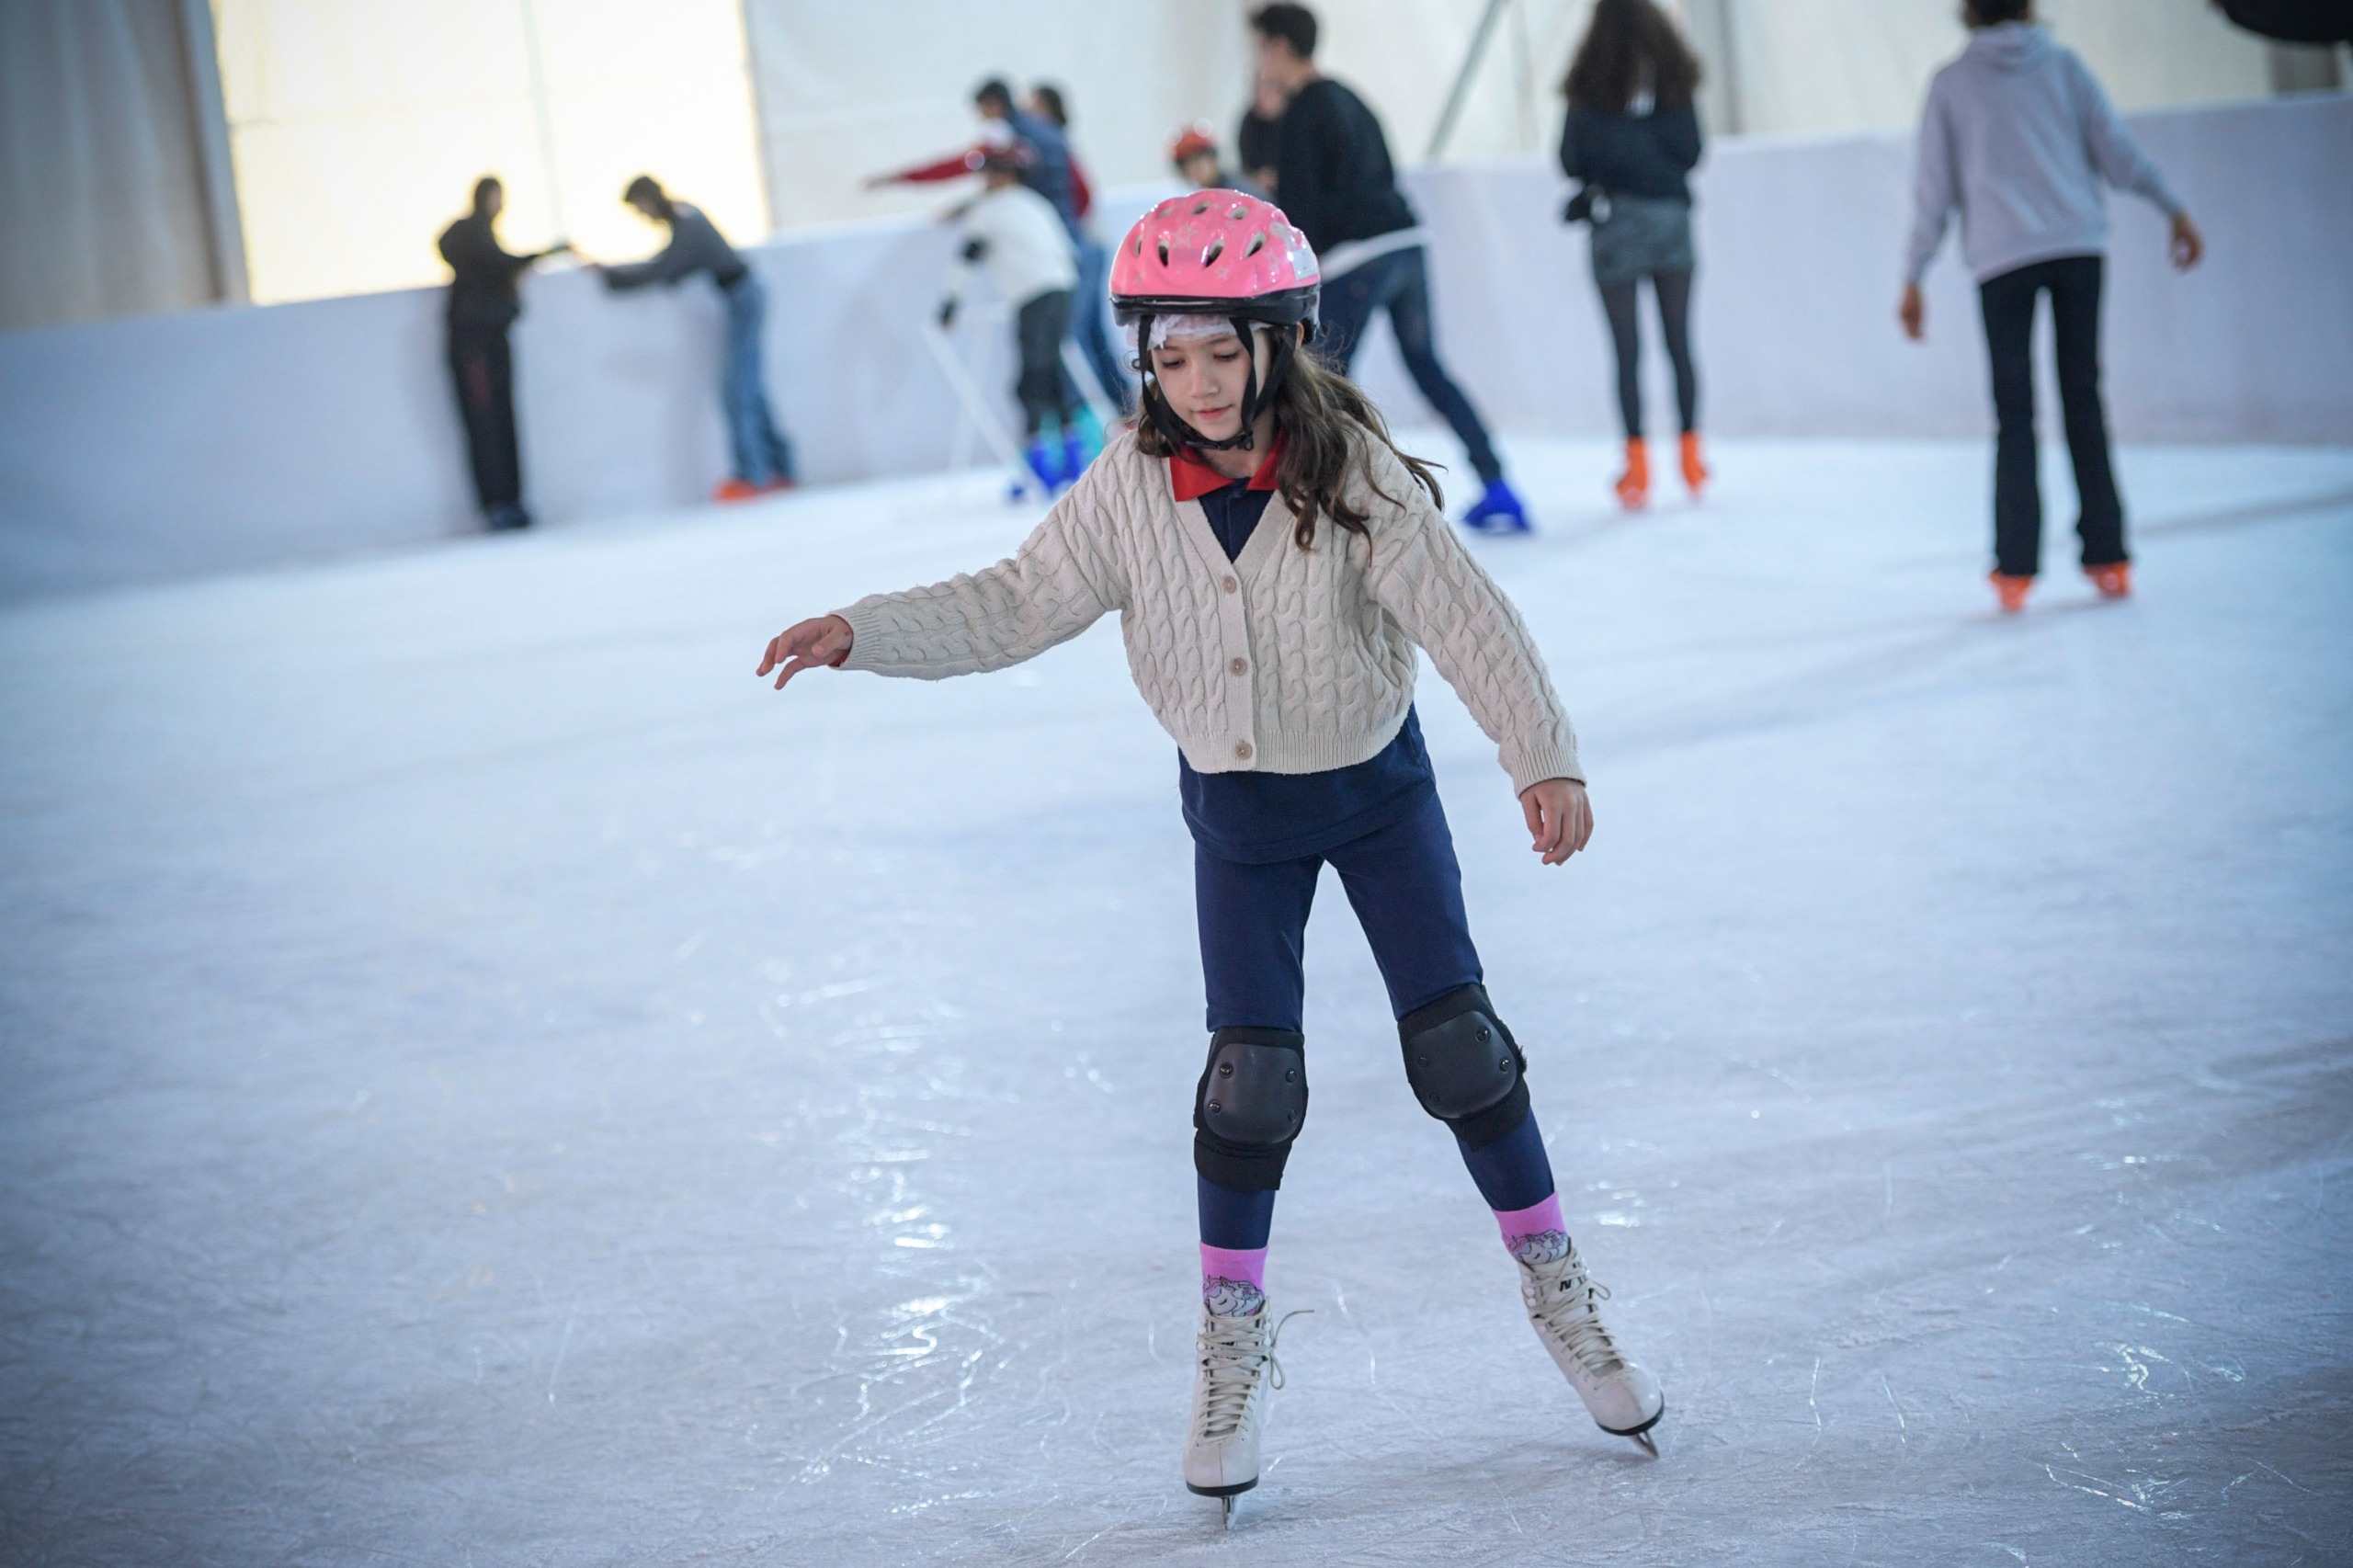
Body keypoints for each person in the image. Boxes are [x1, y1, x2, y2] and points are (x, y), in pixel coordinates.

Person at [754, 191, 1664, 1513]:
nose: (1198, 382)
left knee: (1461, 1047)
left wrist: (1545, 751)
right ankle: (1227, 1347)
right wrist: (863, 628)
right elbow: (1013, 602)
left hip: (1378, 796)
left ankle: (1560, 1289)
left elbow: (1468, 615)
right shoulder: (1126, 488)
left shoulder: (1346, 471)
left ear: (1278, 339)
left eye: (1222, 353)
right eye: (1170, 358)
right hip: (1236, 823)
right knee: (1247, 1086)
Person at [1902, 0, 2203, 613]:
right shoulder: (2063, 67)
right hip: (2075, 247)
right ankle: (2108, 555)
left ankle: (2015, 568)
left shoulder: (1952, 84)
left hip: (2001, 260)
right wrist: (2171, 206)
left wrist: (1913, 275)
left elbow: (1934, 192)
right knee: (2082, 396)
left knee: (2014, 411)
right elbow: (2116, 151)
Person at [1247, 3, 1529, 533]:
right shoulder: (1351, 96)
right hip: (1405, 243)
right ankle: (1498, 482)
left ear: (1280, 47)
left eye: (1260, 48)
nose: (1258, 61)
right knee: (1424, 365)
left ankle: (1344, 504)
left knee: (1320, 381)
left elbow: (1299, 210)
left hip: (1361, 255)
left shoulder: (1303, 110)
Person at [1560, 0, 1709, 512]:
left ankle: (1637, 469)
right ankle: (1691, 459)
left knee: (1627, 351)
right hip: (1670, 221)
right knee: (1679, 342)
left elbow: (1569, 158)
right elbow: (1692, 151)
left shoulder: (1587, 84)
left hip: (1615, 225)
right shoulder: (1674, 77)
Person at [597, 175, 796, 503]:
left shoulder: (688, 222)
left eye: (639, 208)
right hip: (740, 297)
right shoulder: (685, 218)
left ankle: (752, 474)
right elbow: (673, 266)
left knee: (737, 389)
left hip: (744, 298)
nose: (642, 216)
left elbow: (666, 268)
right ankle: (778, 468)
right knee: (750, 388)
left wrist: (613, 277)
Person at [938, 148, 1085, 494]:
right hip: (1062, 289)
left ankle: (1039, 467)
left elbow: (968, 255)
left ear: (1004, 175)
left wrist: (950, 301)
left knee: (1032, 379)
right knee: (1052, 372)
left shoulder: (988, 211)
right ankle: (1071, 458)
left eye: (988, 173)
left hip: (1032, 297)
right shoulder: (1035, 204)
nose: (983, 181)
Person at [437, 176, 565, 531]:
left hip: (493, 339)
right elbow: (494, 262)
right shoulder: (467, 234)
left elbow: (500, 264)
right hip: (473, 343)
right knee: (484, 421)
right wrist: (535, 257)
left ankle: (511, 500)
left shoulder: (485, 237)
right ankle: (496, 504)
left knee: (502, 419)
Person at [1029, 84, 1135, 415]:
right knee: (1093, 332)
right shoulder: (1057, 152)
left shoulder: (1055, 152)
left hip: (1083, 250)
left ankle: (1097, 416)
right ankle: (1124, 410)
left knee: (1076, 336)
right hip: (1088, 247)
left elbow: (1083, 196)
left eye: (1031, 108)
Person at [1169, 123, 1264, 199]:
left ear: (1213, 158)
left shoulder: (1239, 193)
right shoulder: (1202, 195)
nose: (1195, 168)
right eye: (1188, 165)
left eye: (1199, 159)